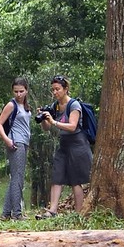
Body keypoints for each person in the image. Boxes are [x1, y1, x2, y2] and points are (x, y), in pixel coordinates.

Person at [37, 75, 90, 217]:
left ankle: (79, 213)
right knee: (57, 176)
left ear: (65, 89)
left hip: (78, 144)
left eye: (58, 89)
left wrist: (54, 122)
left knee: (76, 179)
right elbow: (47, 128)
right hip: (64, 144)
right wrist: (43, 118)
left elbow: (72, 126)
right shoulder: (55, 106)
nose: (55, 92)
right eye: (53, 90)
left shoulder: (74, 105)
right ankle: (52, 210)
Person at [0, 78, 32, 220]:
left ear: (26, 90)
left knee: (16, 177)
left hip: (24, 141)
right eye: (16, 91)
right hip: (16, 142)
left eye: (21, 91)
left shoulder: (26, 106)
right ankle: (17, 213)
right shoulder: (11, 105)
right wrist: (6, 139)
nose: (18, 94)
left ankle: (6, 213)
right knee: (18, 178)